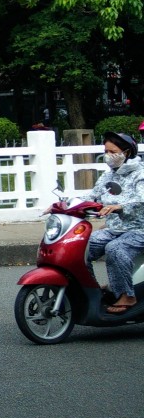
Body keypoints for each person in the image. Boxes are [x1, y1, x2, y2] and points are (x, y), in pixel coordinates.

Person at [85, 131, 144, 314]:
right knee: (81, 247)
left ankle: (127, 295)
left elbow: (142, 200)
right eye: (106, 151)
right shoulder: (108, 176)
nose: (108, 156)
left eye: (113, 152)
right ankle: (90, 290)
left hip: (138, 229)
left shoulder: (140, 174)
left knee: (115, 248)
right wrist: (64, 205)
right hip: (113, 228)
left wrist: (120, 206)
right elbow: (92, 196)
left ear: (126, 152)